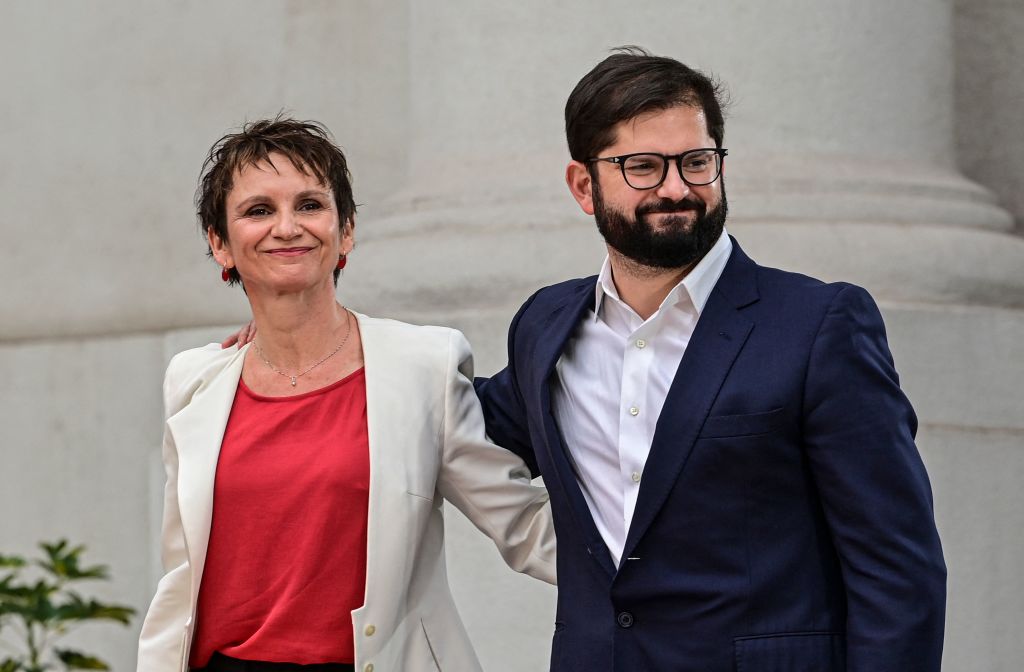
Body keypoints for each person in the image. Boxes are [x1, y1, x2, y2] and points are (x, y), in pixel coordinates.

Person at [473, 48, 947, 671]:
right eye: (643, 166)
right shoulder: (545, 328)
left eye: (697, 162)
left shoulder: (817, 325)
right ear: (584, 186)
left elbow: (897, 569)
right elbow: (456, 421)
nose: (677, 188)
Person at [137, 117, 555, 672]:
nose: (287, 227)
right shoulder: (194, 380)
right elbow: (181, 573)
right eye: (259, 210)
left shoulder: (421, 366)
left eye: (310, 205)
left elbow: (523, 525)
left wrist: (678, 559)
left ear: (346, 231)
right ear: (221, 245)